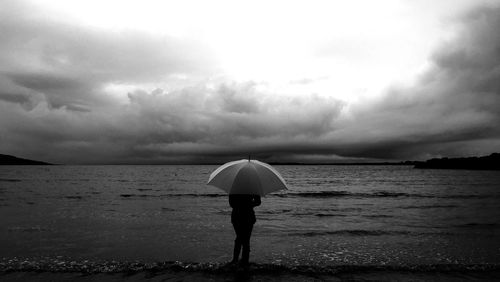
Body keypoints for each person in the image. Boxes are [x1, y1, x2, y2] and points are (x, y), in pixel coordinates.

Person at [229, 194, 261, 265]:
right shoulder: (253, 188)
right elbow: (258, 202)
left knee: (240, 238)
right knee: (245, 239)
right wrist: (249, 204)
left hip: (238, 216)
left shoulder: (234, 188)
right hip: (247, 215)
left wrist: (242, 204)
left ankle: (237, 260)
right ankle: (243, 260)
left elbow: (232, 204)